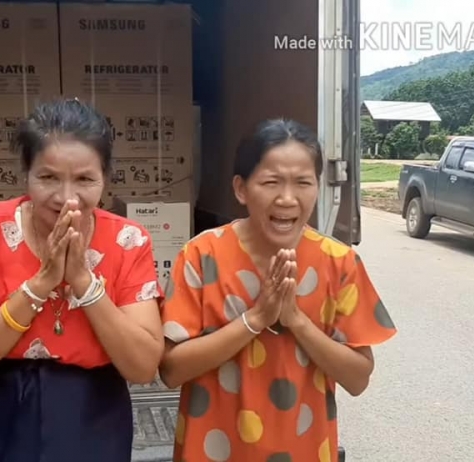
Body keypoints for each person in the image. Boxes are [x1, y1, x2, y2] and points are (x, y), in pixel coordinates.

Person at [0, 98, 166, 462]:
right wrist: (40, 284)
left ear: (105, 178)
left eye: (85, 179)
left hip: (91, 415)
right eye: (48, 177)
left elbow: (142, 367)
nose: (67, 198)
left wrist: (83, 282)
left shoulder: (128, 240)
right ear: (26, 174)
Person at [159, 119, 397, 462]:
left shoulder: (339, 263)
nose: (287, 198)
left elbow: (358, 379)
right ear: (241, 189)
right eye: (271, 182)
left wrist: (296, 320)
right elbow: (170, 370)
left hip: (305, 450)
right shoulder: (201, 256)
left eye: (303, 182)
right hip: (213, 451)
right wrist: (256, 318)